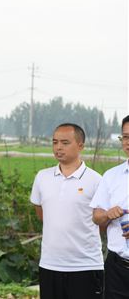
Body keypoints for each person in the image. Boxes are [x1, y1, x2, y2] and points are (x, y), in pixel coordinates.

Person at [30, 123, 103, 299]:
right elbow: (42, 214)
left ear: (80, 146)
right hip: (50, 264)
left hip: (85, 266)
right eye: (55, 142)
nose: (58, 147)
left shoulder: (96, 180)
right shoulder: (42, 177)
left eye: (65, 142)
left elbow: (102, 222)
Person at [91, 114, 129, 299]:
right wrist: (107, 214)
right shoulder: (111, 176)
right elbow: (96, 216)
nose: (128, 142)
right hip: (117, 267)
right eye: (126, 137)